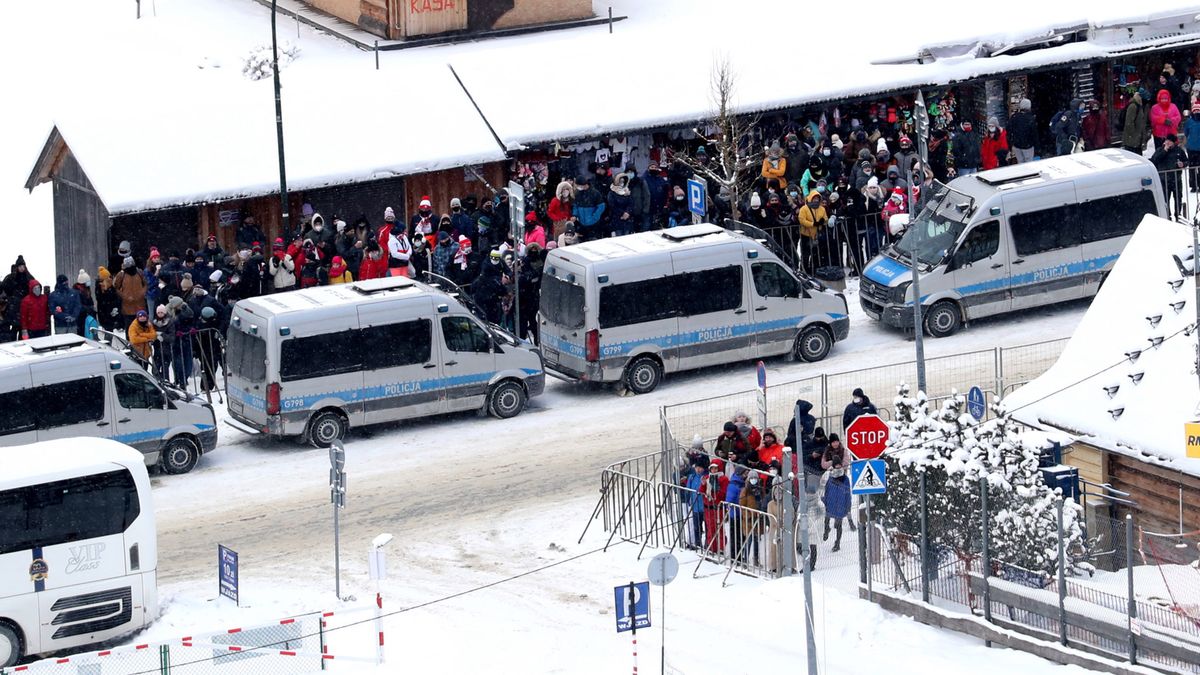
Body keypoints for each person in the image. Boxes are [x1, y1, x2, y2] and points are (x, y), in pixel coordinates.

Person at [820, 434, 851, 552]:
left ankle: (837, 543)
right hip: (830, 502)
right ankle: (826, 529)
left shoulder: (845, 479)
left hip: (840, 504)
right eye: (833, 442)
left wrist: (848, 505)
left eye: (836, 441)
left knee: (838, 524)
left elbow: (848, 493)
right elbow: (823, 490)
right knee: (827, 518)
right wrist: (824, 502)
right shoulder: (828, 476)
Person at [1151, 134, 1188, 219]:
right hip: (1164, 180)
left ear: (1174, 142)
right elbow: (1154, 160)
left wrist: (1183, 164)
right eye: (1166, 140)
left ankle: (1178, 215)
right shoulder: (1160, 150)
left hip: (1176, 179)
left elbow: (1186, 161)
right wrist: (1164, 151)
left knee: (1178, 198)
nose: (1167, 142)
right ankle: (1167, 216)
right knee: (1165, 199)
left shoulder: (1179, 150)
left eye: (1170, 141)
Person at [700, 461, 729, 553]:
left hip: (718, 508)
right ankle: (712, 547)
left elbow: (723, 494)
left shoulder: (723, 479)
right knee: (710, 528)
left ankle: (721, 547)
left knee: (719, 528)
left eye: (716, 468)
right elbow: (701, 492)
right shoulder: (707, 478)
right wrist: (703, 485)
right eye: (712, 468)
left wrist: (717, 489)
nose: (714, 470)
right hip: (708, 508)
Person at [113, 257, 147, 332]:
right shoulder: (121, 275)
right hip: (127, 306)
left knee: (140, 327)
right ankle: (129, 342)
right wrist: (125, 296)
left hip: (140, 305)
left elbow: (145, 284)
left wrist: (142, 293)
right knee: (129, 328)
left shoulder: (139, 272)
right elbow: (116, 288)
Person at [379, 207, 413, 275]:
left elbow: (406, 242)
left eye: (391, 218)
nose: (390, 219)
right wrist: (389, 249)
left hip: (401, 254)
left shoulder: (398, 227)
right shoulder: (382, 230)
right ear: (385, 219)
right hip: (388, 255)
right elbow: (381, 243)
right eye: (388, 218)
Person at [682, 461, 707, 549]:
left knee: (707, 526)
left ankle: (707, 543)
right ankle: (697, 543)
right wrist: (689, 500)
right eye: (697, 467)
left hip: (704, 506)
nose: (698, 469)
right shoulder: (692, 477)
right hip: (695, 506)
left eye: (700, 467)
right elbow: (688, 489)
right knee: (697, 527)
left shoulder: (706, 477)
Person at [1122, 89, 1152, 155]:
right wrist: (1134, 135)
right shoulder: (1133, 106)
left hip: (1137, 140)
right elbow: (1129, 123)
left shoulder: (1141, 106)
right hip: (1132, 140)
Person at [1007, 98, 1038, 163]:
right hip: (1028, 145)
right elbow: (1034, 133)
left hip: (1017, 145)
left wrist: (1010, 144)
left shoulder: (1014, 117)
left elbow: (1009, 130)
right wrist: (1036, 145)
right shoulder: (1030, 118)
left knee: (1020, 162)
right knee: (1029, 162)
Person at [95, 267, 121, 333]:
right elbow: (101, 299)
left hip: (109, 311)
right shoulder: (100, 287)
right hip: (105, 312)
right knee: (108, 329)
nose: (110, 279)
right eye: (108, 277)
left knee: (109, 329)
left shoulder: (109, 286)